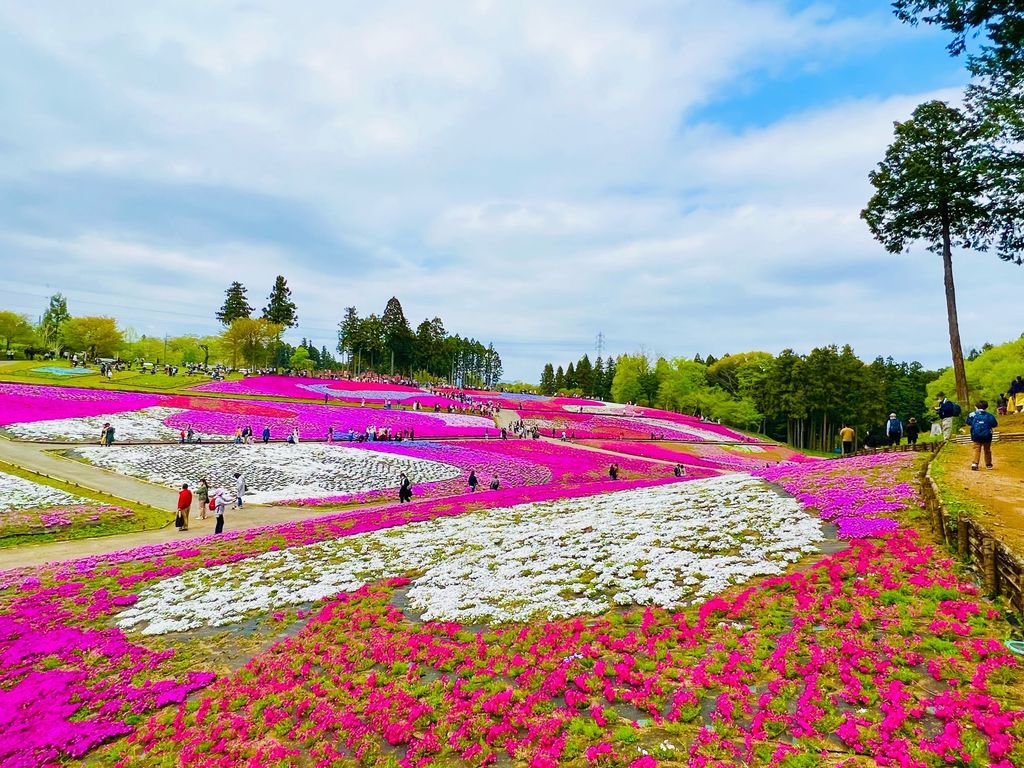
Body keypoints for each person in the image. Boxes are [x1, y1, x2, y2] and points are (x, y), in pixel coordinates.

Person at [966, 400, 998, 471]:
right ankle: (988, 464)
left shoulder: (972, 414)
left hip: (976, 435)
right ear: (986, 407)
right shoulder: (989, 415)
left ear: (976, 407)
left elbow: (968, 422)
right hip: (987, 435)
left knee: (977, 449)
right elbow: (995, 424)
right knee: (987, 449)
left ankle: (975, 463)